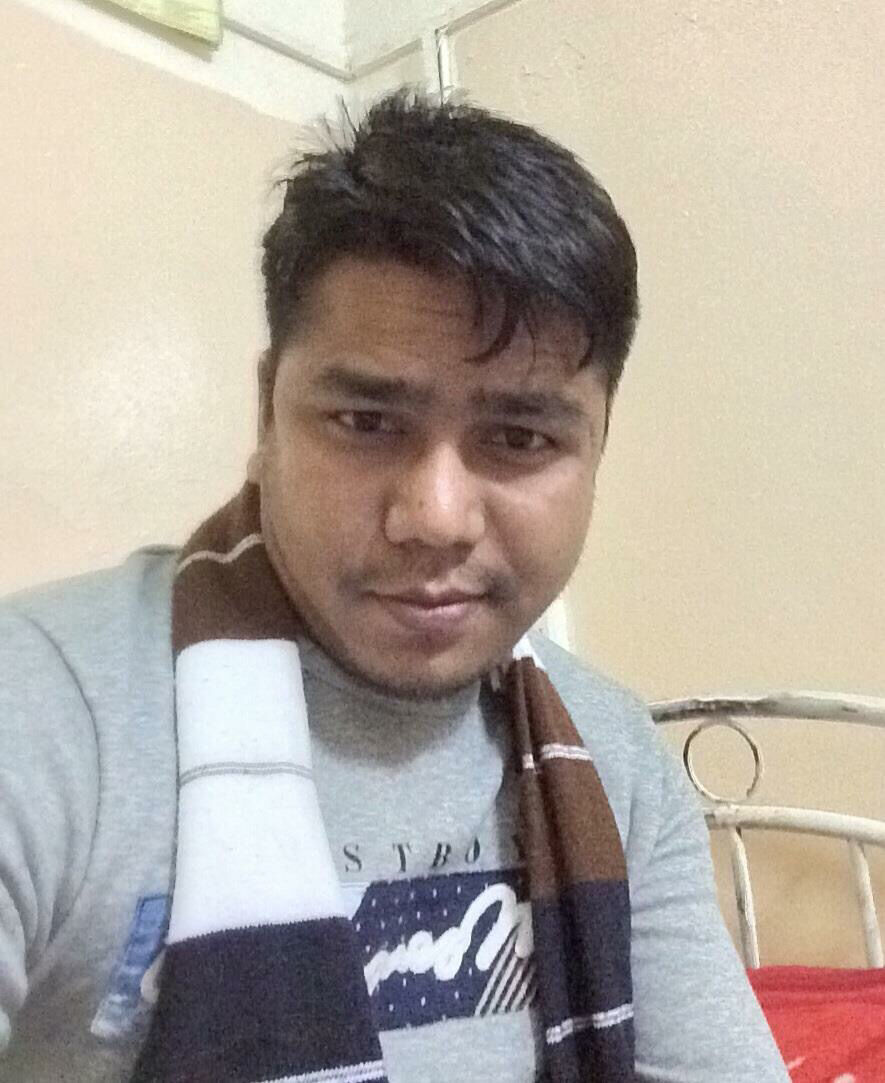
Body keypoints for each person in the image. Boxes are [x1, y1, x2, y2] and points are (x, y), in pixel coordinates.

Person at [0, 89, 789, 1082]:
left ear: (596, 447)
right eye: (367, 423)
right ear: (267, 412)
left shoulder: (615, 759)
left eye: (520, 437)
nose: (436, 516)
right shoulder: (46, 710)